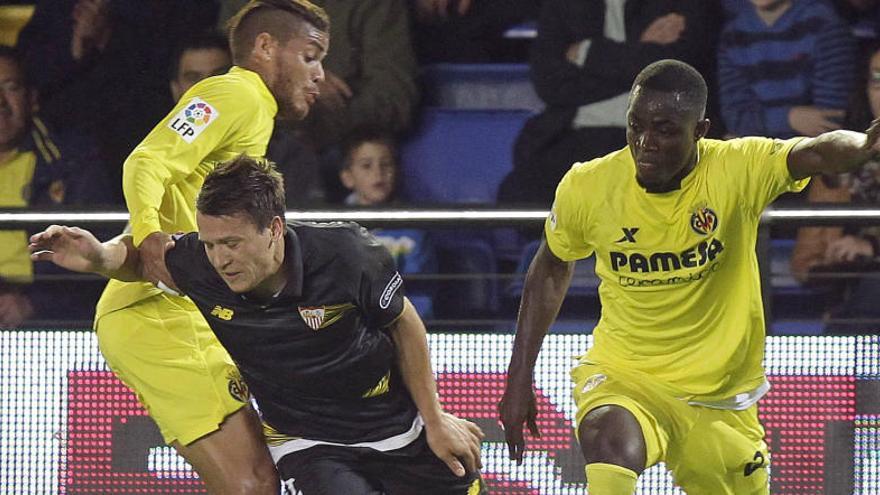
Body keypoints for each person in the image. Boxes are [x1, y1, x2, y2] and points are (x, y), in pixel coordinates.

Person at [498, 59, 880, 494]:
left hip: (721, 397)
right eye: (635, 126)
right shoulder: (588, 185)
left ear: (700, 130)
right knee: (607, 439)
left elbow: (814, 151)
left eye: (664, 130)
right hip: (627, 375)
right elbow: (551, 265)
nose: (645, 143)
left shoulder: (737, 168)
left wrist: (864, 145)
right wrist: (518, 377)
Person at [29, 155, 486, 494]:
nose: (220, 259)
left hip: (394, 427)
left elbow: (404, 323)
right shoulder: (204, 264)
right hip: (308, 441)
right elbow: (142, 261)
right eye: (209, 243)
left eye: (232, 242)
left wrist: (435, 419)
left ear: (273, 229)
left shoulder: (349, 255)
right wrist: (98, 257)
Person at [89, 1, 330, 492]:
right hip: (156, 311)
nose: (321, 74)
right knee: (253, 484)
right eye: (310, 56)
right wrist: (149, 238)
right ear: (265, 47)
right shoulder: (233, 92)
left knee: (260, 477)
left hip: (192, 312)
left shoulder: (254, 111)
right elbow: (146, 162)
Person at [497, 0, 717, 206]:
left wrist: (586, 52)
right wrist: (642, 53)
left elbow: (678, 73)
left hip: (655, 137)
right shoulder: (566, 5)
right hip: (573, 134)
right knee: (518, 192)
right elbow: (550, 83)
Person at [0, 44, 108, 328]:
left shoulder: (73, 161)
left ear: (32, 99)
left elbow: (101, 256)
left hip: (52, 325)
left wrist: (33, 304)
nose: (0, 102)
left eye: (10, 87)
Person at [791, 41, 880, 333]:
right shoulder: (837, 163)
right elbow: (804, 263)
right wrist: (833, 262)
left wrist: (871, 247)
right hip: (849, 299)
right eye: (876, 80)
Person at [718, 0, 856, 139]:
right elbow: (735, 118)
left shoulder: (824, 24)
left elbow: (827, 121)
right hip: (761, 151)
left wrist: (757, 128)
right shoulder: (733, 35)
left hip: (814, 153)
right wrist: (788, 118)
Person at [339, 128, 439, 318]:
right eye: (366, 165)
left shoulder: (414, 230)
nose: (378, 173)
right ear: (347, 177)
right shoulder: (334, 229)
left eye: (386, 164)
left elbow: (421, 296)